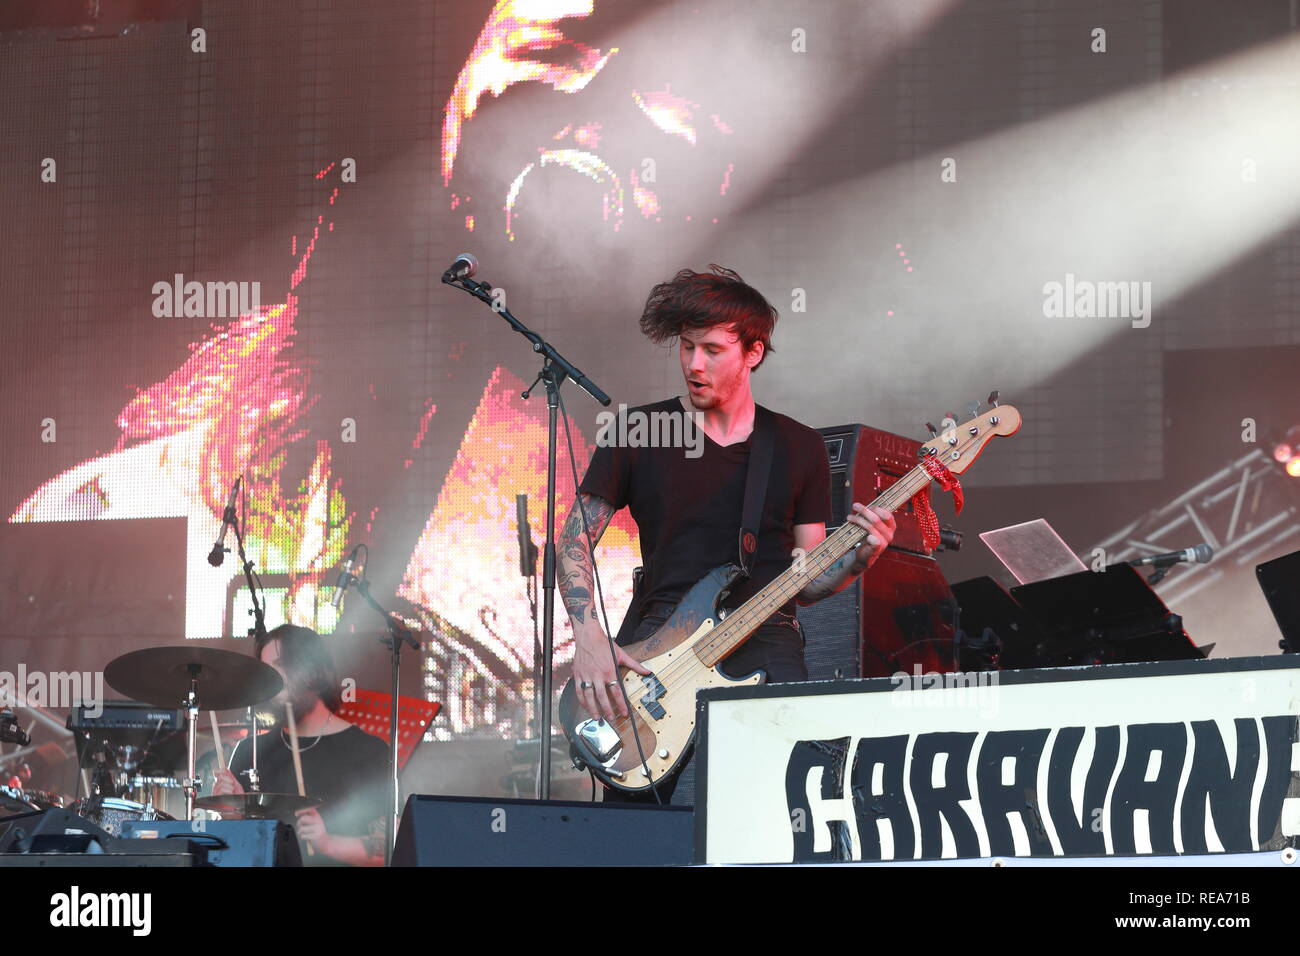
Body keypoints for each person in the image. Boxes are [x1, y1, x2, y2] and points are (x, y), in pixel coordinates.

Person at [557, 264, 897, 804]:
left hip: (766, 644)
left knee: (776, 809)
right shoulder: (637, 431)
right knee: (642, 830)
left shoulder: (797, 446)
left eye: (712, 350)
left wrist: (859, 560)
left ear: (753, 354)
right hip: (655, 655)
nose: (694, 364)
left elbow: (806, 580)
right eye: (686, 348)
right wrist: (589, 637)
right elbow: (572, 540)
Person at [212, 624, 388, 865]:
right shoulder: (249, 751)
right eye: (267, 668)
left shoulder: (368, 750)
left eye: (281, 664)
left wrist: (327, 843)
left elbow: (389, 849)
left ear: (314, 668)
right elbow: (236, 852)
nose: (273, 677)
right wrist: (234, 813)